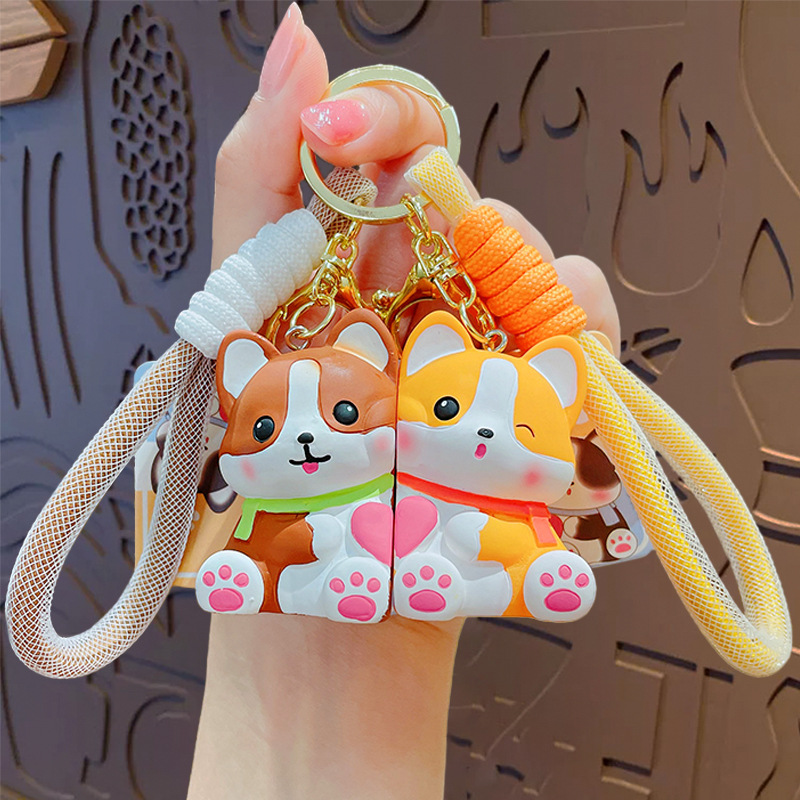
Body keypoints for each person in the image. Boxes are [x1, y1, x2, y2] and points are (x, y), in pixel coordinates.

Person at [187, 5, 620, 798]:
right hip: (315, 549)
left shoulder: (428, 456)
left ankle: (527, 572)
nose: (307, 442)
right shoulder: (261, 368)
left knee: (492, 543)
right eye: (449, 413)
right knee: (275, 547)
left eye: (344, 417)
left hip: (446, 550)